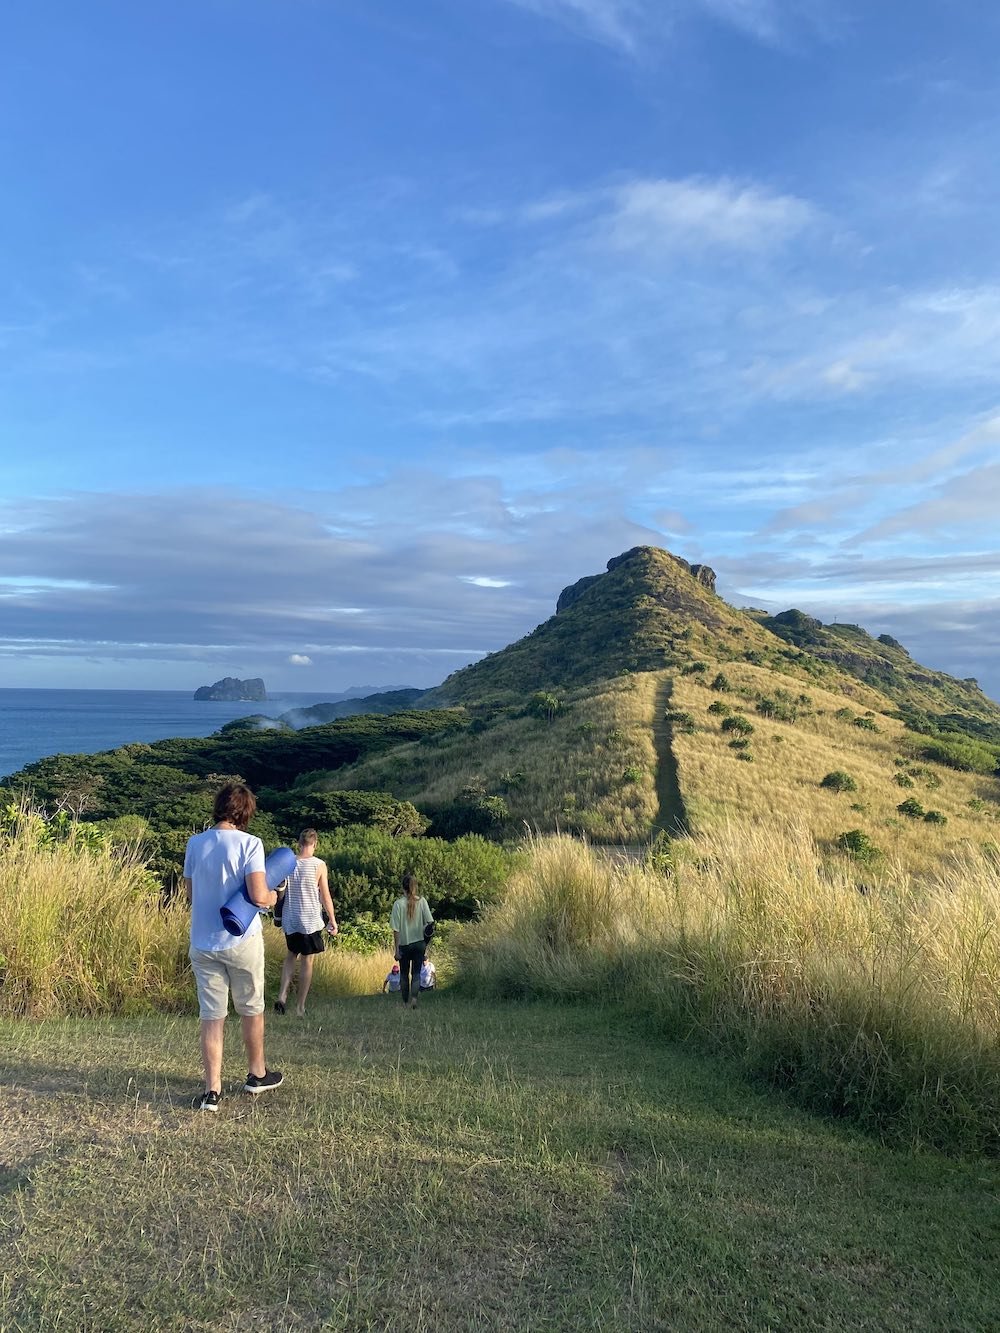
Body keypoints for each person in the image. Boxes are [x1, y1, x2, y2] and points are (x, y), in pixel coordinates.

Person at [183, 782, 283, 1111]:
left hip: (203, 941)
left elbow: (190, 896)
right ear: (245, 812)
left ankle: (212, 1092)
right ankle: (257, 1075)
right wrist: (274, 896)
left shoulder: (195, 844)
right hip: (242, 941)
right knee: (251, 1008)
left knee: (212, 1016)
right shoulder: (250, 844)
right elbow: (257, 895)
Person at [274, 828, 338, 1017]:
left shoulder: (288, 863)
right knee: (307, 961)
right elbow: (325, 895)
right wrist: (332, 919)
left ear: (299, 843)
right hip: (310, 919)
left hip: (290, 918)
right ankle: (300, 1007)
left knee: (290, 956)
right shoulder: (319, 865)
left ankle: (282, 996)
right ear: (315, 844)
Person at [390, 873, 433, 1009]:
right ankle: (414, 999)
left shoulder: (398, 904)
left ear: (403, 887)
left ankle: (404, 1002)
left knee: (403, 974)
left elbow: (396, 929)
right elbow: (430, 923)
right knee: (416, 973)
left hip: (404, 944)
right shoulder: (422, 902)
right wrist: (426, 941)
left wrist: (396, 949)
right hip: (419, 943)